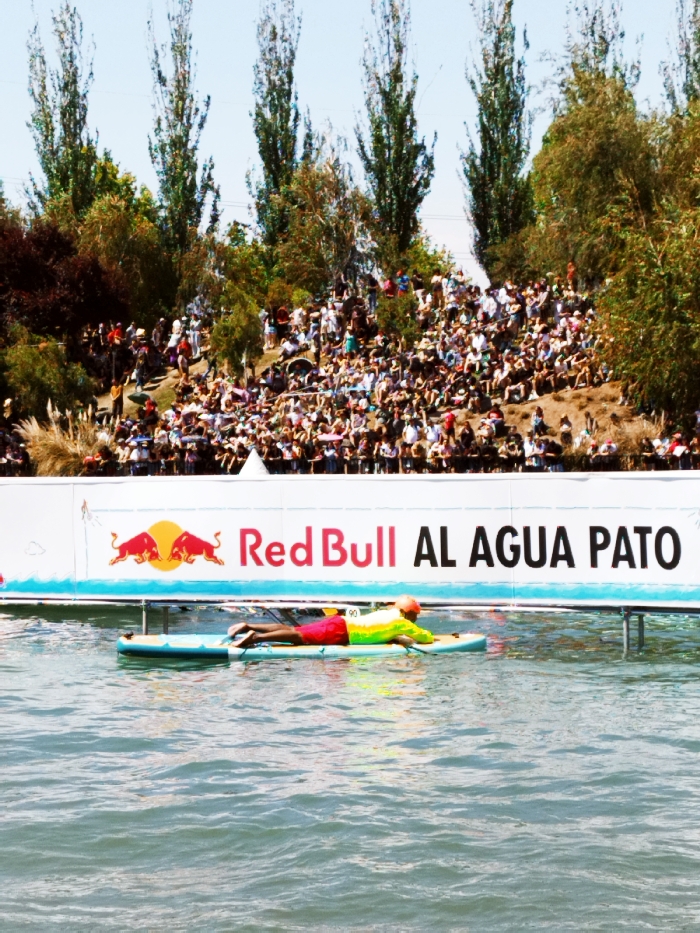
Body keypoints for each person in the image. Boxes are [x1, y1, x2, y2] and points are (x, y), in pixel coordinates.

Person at [227, 596, 433, 648]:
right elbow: (425, 638)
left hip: (340, 621)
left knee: (294, 628)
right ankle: (256, 638)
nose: (416, 619)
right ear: (408, 613)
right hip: (342, 633)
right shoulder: (402, 622)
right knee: (299, 637)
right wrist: (429, 636)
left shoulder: (385, 612)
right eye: (415, 616)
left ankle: (249, 625)